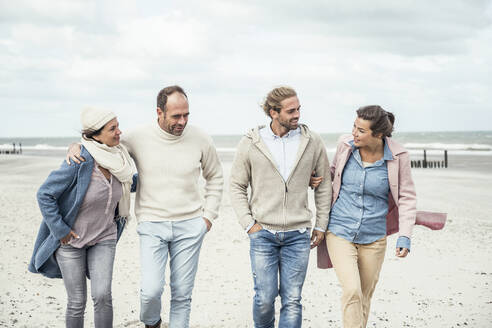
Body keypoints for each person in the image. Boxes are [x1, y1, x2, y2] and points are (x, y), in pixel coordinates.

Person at [67, 85, 223, 328]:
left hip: (191, 225)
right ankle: (152, 322)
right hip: (152, 224)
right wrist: (77, 146)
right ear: (159, 112)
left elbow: (215, 176)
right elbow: (104, 144)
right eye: (176, 116)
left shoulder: (201, 138)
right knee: (151, 291)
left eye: (186, 115)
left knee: (182, 293)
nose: (182, 121)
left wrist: (208, 217)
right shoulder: (137, 137)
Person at [315, 105, 446, 328]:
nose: (354, 133)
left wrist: (405, 236)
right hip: (339, 230)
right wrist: (317, 178)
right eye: (354, 127)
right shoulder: (345, 145)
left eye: (361, 130)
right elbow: (333, 172)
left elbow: (406, 197)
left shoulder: (398, 156)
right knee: (352, 291)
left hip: (374, 238)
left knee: (364, 298)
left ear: (378, 135)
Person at [230, 86, 332, 328]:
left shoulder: (312, 141)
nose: (297, 114)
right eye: (291, 111)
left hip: (298, 235)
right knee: (264, 298)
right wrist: (249, 224)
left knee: (293, 300)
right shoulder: (252, 142)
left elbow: (324, 185)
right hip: (262, 233)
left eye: (298, 109)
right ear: (273, 113)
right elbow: (236, 185)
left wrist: (321, 224)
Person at [29, 107, 136, 328]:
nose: (119, 132)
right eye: (112, 128)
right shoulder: (80, 160)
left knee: (102, 296)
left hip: (104, 237)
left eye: (118, 126)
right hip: (72, 241)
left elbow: (130, 183)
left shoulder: (119, 159)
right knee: (77, 302)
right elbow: (45, 194)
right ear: (95, 135)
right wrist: (61, 230)